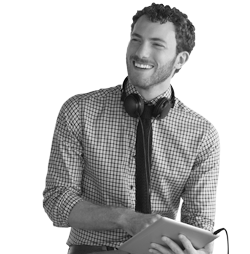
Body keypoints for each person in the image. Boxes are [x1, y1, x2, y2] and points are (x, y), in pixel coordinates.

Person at [43, 3, 220, 254]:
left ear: (180, 60)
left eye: (157, 44)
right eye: (136, 39)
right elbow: (57, 200)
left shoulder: (202, 134)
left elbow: (200, 225)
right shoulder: (79, 111)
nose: (141, 52)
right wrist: (126, 219)